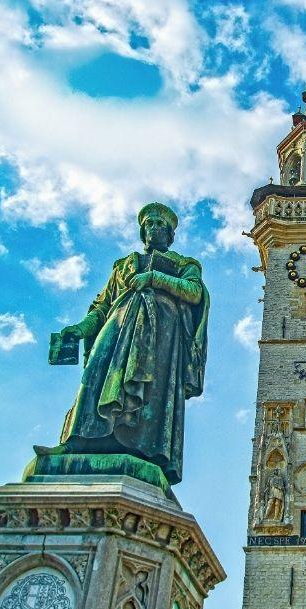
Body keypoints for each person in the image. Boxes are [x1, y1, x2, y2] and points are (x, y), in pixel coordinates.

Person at [39, 203, 209, 485]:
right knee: (96, 376)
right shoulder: (123, 266)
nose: (154, 229)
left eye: (160, 225)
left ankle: (144, 448)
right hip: (118, 324)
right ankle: (75, 441)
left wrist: (154, 279)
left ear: (170, 234)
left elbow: (194, 292)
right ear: (143, 231)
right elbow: (101, 306)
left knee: (151, 392)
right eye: (150, 224)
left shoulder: (184, 264)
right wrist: (80, 330)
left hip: (160, 334)